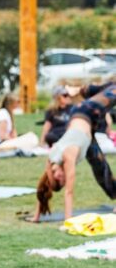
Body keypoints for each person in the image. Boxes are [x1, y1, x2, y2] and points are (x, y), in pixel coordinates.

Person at [32, 83, 116, 221]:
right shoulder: (52, 163)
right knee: (100, 169)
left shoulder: (67, 156)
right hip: (86, 131)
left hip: (86, 112)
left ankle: (80, 90)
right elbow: (42, 190)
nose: (63, 178)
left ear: (53, 174)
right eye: (62, 181)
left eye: (59, 179)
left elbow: (69, 193)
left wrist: (68, 221)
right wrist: (36, 217)